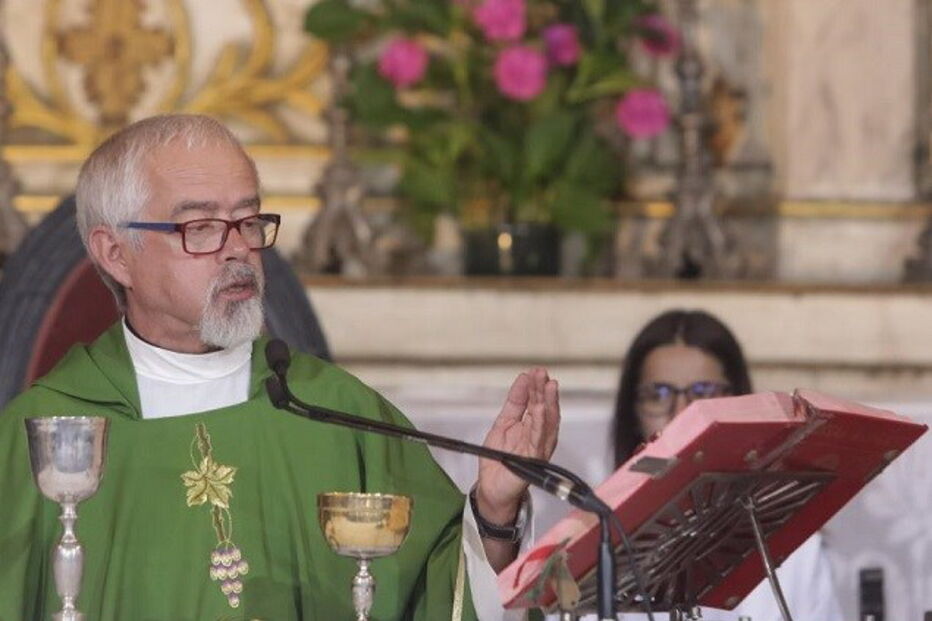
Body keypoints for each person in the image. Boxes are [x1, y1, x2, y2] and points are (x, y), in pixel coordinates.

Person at [0, 114, 560, 620]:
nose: (237, 249)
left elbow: (440, 594)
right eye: (200, 228)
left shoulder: (338, 413)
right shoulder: (47, 437)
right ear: (115, 253)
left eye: (248, 221)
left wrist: (493, 507)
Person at [611, 309, 843, 621]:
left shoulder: (795, 548)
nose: (681, 413)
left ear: (736, 401)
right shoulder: (599, 543)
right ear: (633, 411)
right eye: (659, 393)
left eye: (703, 393)